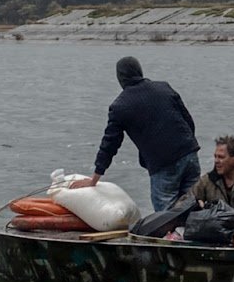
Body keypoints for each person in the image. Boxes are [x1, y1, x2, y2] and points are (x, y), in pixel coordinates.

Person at [69, 56, 200, 212]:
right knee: (194, 206)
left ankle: (172, 235)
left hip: (163, 165)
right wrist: (187, 145)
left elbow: (109, 144)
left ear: (120, 78)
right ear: (140, 72)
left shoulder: (120, 106)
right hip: (189, 153)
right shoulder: (164, 88)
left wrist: (95, 178)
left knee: (167, 217)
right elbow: (188, 120)